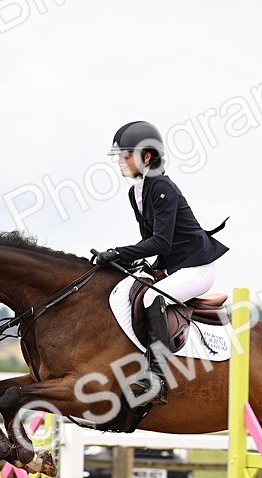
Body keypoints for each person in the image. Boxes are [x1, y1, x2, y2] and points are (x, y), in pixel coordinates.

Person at [96, 120, 228, 405]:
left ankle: (157, 378)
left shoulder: (163, 188)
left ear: (146, 156)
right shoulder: (137, 192)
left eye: (126, 155)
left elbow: (161, 242)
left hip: (197, 267)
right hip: (173, 266)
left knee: (151, 298)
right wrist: (130, 263)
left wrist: (117, 252)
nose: (121, 161)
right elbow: (148, 241)